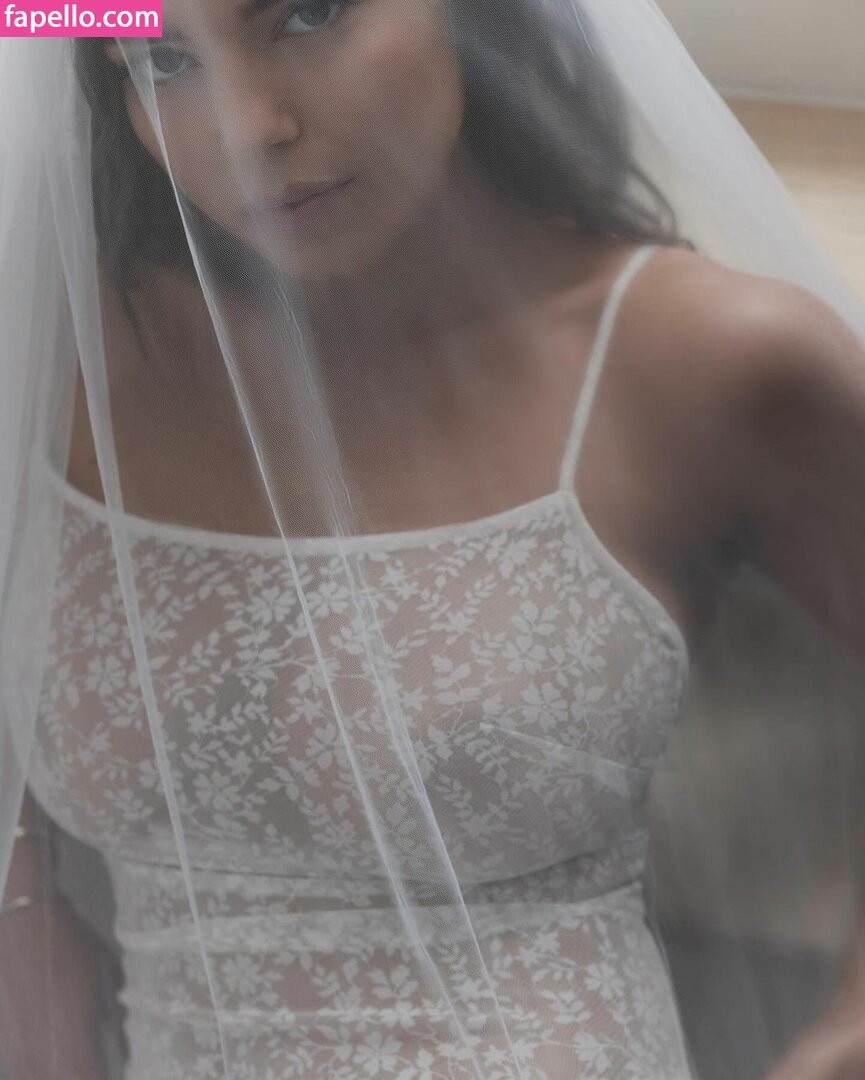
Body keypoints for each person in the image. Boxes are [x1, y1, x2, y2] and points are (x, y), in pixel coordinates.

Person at [1, 0, 864, 1077]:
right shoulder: (58, 347)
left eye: (308, 13)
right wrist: (24, 919)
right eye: (161, 57)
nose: (248, 126)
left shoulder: (704, 359)